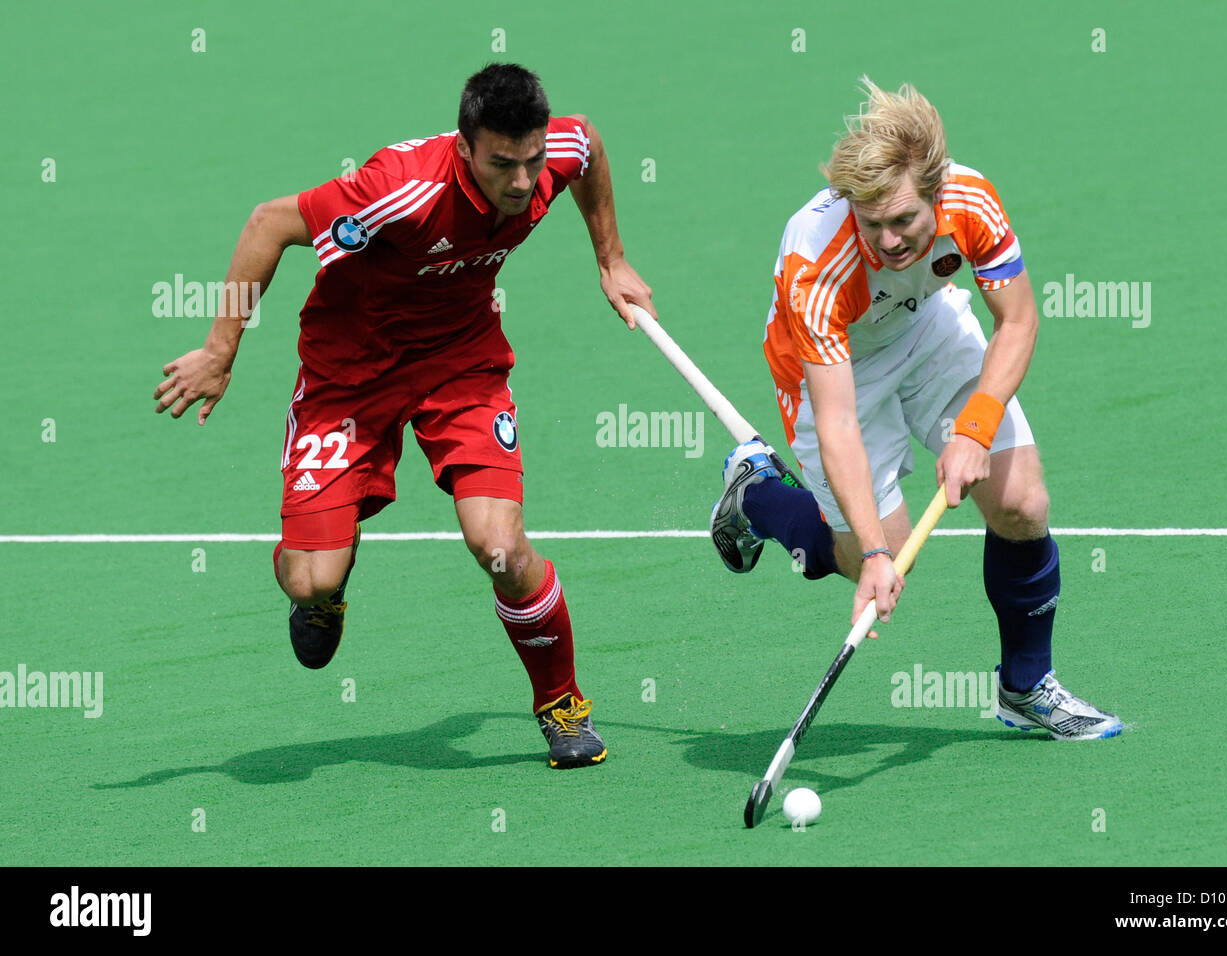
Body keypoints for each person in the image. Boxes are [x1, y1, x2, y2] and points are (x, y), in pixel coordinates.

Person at [152, 63, 654, 768]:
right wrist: (219, 348)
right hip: (348, 376)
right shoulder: (400, 189)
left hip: (461, 364)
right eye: (501, 164)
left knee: (500, 547)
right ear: (465, 149)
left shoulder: (554, 155)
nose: (520, 182)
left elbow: (590, 148)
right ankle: (325, 596)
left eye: (531, 160)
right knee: (309, 578)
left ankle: (561, 704)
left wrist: (612, 259)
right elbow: (270, 224)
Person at [711, 77, 1121, 740]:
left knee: (1022, 504)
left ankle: (1025, 688)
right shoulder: (816, 262)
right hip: (832, 369)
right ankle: (757, 493)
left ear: (933, 190)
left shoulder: (971, 198)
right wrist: (873, 553)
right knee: (889, 551)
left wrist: (976, 429)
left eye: (904, 220)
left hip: (925, 326)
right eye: (872, 224)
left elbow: (1017, 320)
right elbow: (839, 417)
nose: (890, 240)